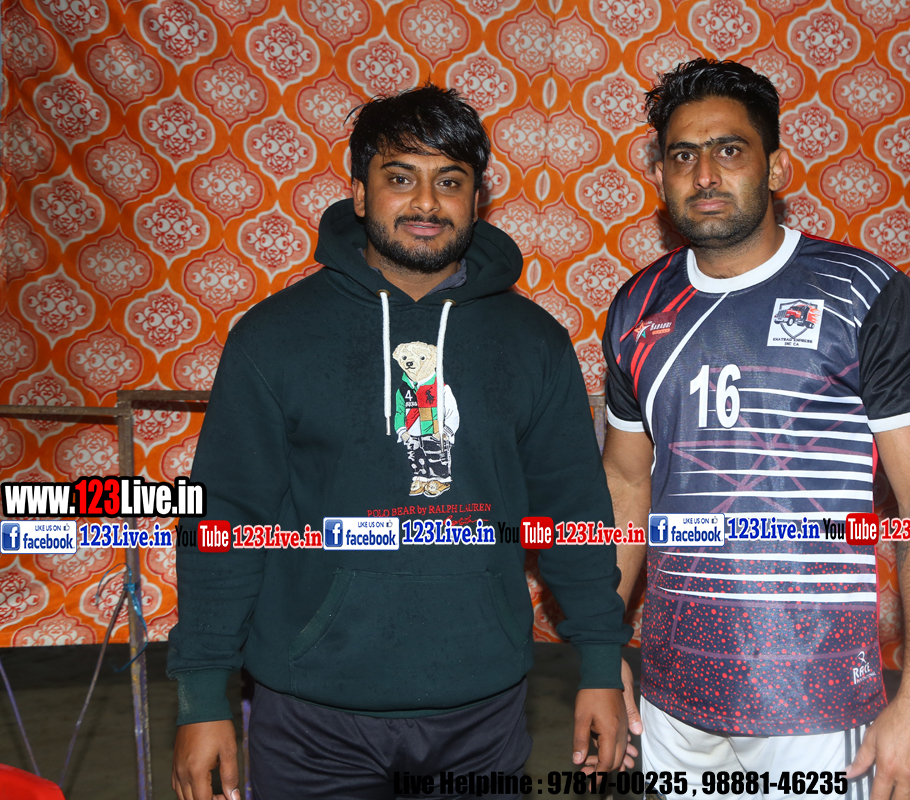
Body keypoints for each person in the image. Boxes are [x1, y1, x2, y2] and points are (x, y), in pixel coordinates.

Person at [168, 85, 631, 800]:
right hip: (311, 712)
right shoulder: (274, 338)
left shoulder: (533, 343)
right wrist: (201, 697)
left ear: (477, 198)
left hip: (481, 710)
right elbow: (226, 519)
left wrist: (601, 663)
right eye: (400, 177)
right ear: (359, 193)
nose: (426, 202)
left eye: (449, 181)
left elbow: (572, 509)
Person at [601, 59, 910, 800]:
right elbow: (625, 481)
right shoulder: (637, 305)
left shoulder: (866, 293)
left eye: (729, 150)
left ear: (776, 166)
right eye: (682, 156)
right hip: (672, 691)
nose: (705, 173)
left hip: (814, 695)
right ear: (661, 177)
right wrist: (599, 643)